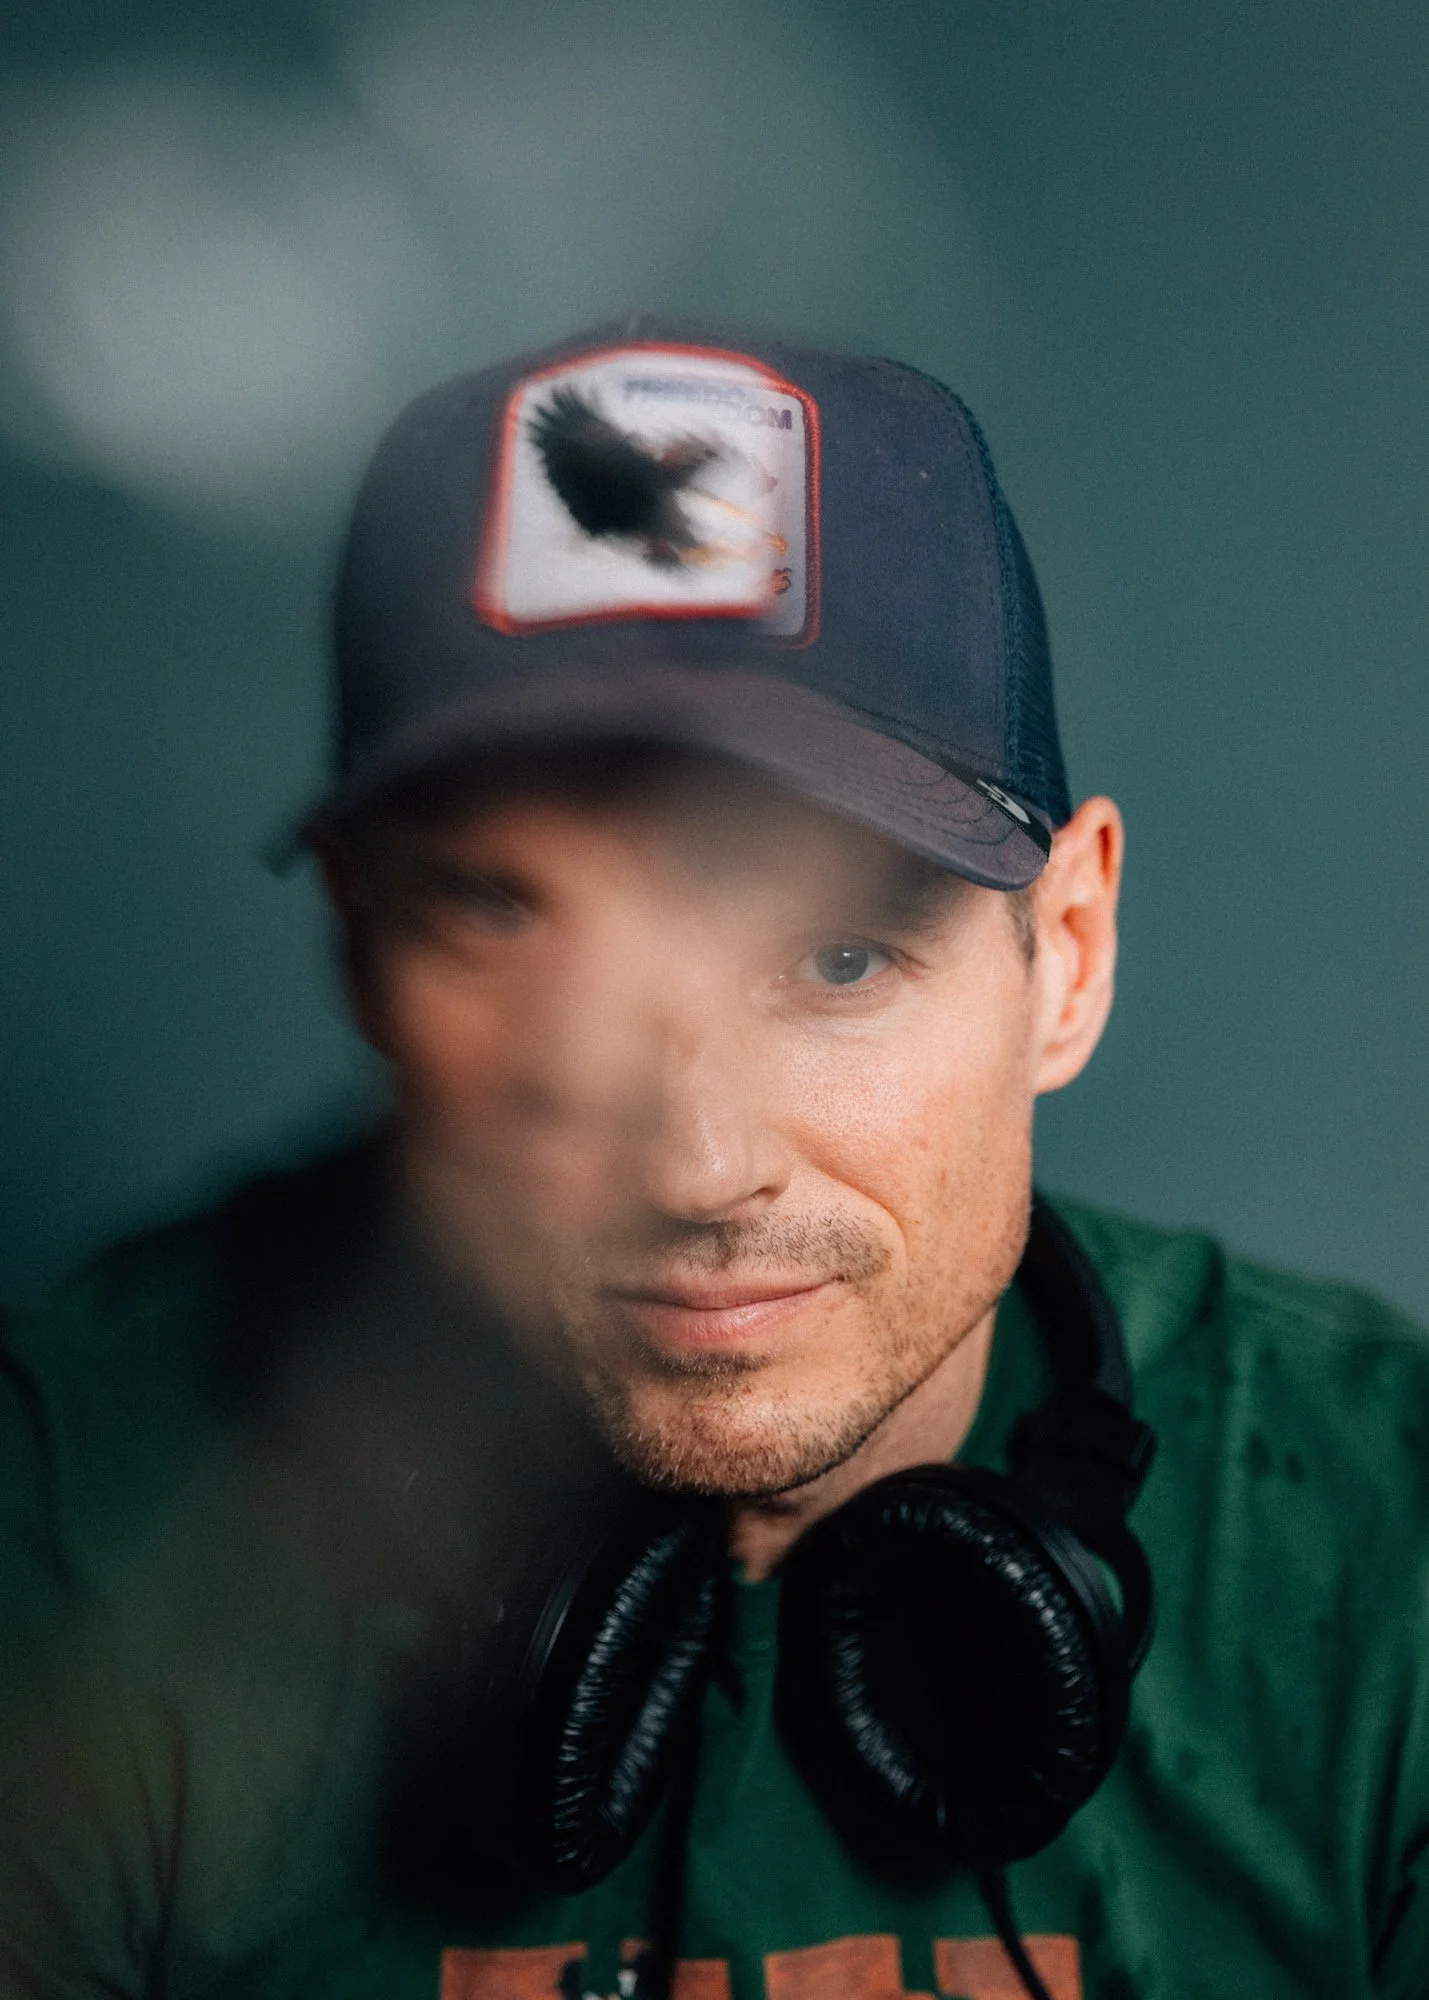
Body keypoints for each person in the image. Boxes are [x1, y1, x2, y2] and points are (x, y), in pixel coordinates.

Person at [1, 316, 1426, 2000]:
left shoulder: (1383, 1538)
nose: (696, 1163)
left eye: (837, 963)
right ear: (364, 952)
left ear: (1076, 951)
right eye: (545, 962)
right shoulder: (71, 1509)